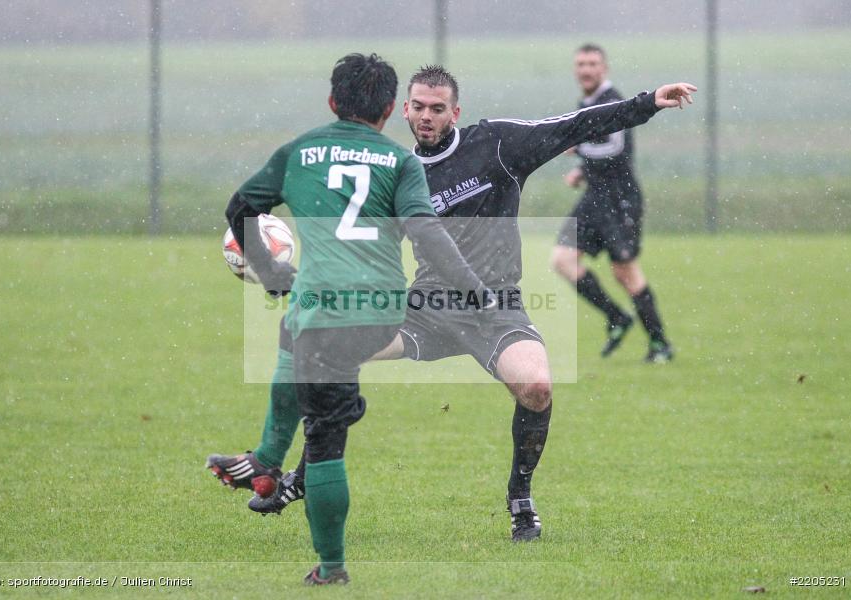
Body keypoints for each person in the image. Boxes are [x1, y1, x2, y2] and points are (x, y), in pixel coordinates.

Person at [211, 64, 696, 545]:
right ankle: (301, 473)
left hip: (494, 307)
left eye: (437, 109)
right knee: (326, 355)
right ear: (402, 110)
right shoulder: (395, 170)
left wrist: (647, 101)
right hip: (424, 308)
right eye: (418, 107)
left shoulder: (498, 145)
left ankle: (520, 495)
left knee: (537, 387)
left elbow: (572, 125)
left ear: (455, 112)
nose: (426, 116)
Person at [215, 53, 492, 586]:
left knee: (323, 440)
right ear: (391, 109)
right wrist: (475, 290)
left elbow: (240, 208)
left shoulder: (300, 152)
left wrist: (271, 269)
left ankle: (331, 568)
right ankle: (268, 462)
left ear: (331, 101)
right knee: (291, 333)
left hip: (327, 312)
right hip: (381, 313)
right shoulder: (400, 161)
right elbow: (427, 232)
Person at [552, 44, 675, 362]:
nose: (586, 69)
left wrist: (577, 150)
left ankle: (660, 344)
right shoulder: (587, 102)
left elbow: (616, 148)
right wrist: (582, 170)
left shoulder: (612, 101)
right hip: (596, 198)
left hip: (620, 201)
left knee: (625, 273)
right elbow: (601, 152)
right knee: (563, 259)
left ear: (604, 68)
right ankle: (616, 317)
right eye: (581, 64)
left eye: (592, 63)